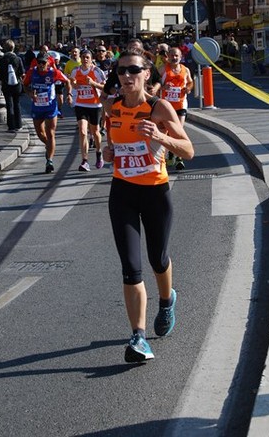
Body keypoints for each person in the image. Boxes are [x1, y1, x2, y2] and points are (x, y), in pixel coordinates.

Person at [102, 49, 194, 363]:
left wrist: (161, 137)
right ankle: (138, 337)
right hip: (122, 193)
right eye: (121, 71)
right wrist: (109, 151)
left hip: (155, 192)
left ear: (146, 74)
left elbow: (189, 149)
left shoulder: (159, 108)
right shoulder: (112, 107)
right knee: (130, 268)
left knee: (158, 258)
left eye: (133, 70)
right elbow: (111, 141)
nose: (126, 76)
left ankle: (167, 300)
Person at [23, 51, 72, 173]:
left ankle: (49, 161)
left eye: (43, 63)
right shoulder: (31, 72)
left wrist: (69, 94)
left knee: (51, 133)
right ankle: (49, 145)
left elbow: (67, 81)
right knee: (40, 133)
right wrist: (30, 93)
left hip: (50, 107)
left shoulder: (53, 72)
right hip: (37, 107)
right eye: (39, 62)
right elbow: (25, 85)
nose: (41, 65)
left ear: (48, 62)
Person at [70, 49, 106, 171]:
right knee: (83, 131)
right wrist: (73, 85)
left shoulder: (96, 71)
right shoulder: (76, 70)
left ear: (91, 60)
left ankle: (98, 152)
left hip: (95, 105)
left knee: (95, 132)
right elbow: (72, 84)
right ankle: (84, 161)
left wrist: (93, 83)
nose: (85, 59)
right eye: (83, 57)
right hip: (81, 104)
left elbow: (105, 86)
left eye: (87, 57)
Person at [159, 46, 194, 170]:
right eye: (172, 55)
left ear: (181, 57)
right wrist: (163, 87)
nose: (174, 58)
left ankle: (179, 157)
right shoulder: (163, 69)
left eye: (176, 56)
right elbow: (155, 84)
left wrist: (188, 89)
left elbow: (190, 82)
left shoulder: (185, 70)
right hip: (166, 106)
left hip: (180, 104)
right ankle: (171, 154)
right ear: (168, 56)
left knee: (179, 130)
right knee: (168, 131)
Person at [0, 39, 25, 131]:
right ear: (13, 48)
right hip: (17, 84)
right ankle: (19, 125)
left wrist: (3, 81)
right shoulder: (18, 59)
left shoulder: (2, 59)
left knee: (9, 105)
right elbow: (22, 72)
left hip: (6, 85)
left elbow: (0, 75)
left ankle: (11, 126)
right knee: (17, 104)